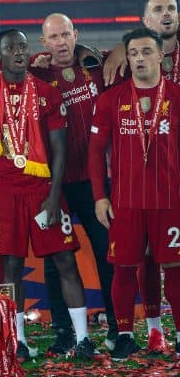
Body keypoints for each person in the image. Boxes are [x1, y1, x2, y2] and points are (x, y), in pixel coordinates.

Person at [0, 29, 97, 361]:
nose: (17, 52)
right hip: (5, 195)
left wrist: (54, 196)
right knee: (11, 266)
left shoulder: (46, 93)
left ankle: (84, 338)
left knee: (65, 262)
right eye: (10, 48)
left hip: (43, 191)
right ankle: (19, 340)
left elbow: (59, 152)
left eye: (22, 47)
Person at [89, 27, 180, 360]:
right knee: (124, 268)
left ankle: (179, 335)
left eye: (146, 52)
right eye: (134, 53)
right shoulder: (110, 99)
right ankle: (125, 335)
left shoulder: (177, 96)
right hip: (125, 202)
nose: (139, 58)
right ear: (127, 58)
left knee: (175, 268)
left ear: (160, 55)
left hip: (171, 201)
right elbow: (96, 151)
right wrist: (100, 196)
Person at [30, 13, 118, 353]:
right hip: (55, 185)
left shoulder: (95, 66)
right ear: (44, 43)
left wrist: (116, 49)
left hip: (95, 182)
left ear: (76, 35)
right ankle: (64, 332)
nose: (62, 42)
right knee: (56, 259)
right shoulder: (34, 75)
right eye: (54, 37)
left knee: (107, 253)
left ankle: (116, 328)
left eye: (67, 34)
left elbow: (127, 53)